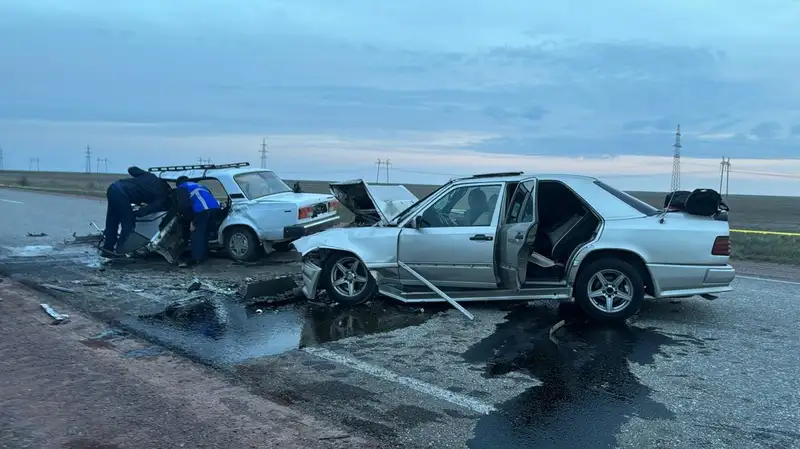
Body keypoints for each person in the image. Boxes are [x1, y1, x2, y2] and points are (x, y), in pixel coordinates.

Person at [101, 166, 171, 256]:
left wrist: (144, 173)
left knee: (112, 222)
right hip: (121, 194)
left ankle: (107, 249)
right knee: (128, 225)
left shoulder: (150, 176)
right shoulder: (162, 196)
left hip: (113, 188)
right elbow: (144, 211)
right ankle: (121, 251)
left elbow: (131, 169)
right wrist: (134, 213)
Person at [174, 176, 221, 268]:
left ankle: (196, 258)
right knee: (204, 233)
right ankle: (204, 256)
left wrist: (191, 220)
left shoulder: (181, 188)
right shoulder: (200, 186)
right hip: (215, 209)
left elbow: (184, 205)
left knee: (196, 234)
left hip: (201, 210)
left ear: (178, 184)